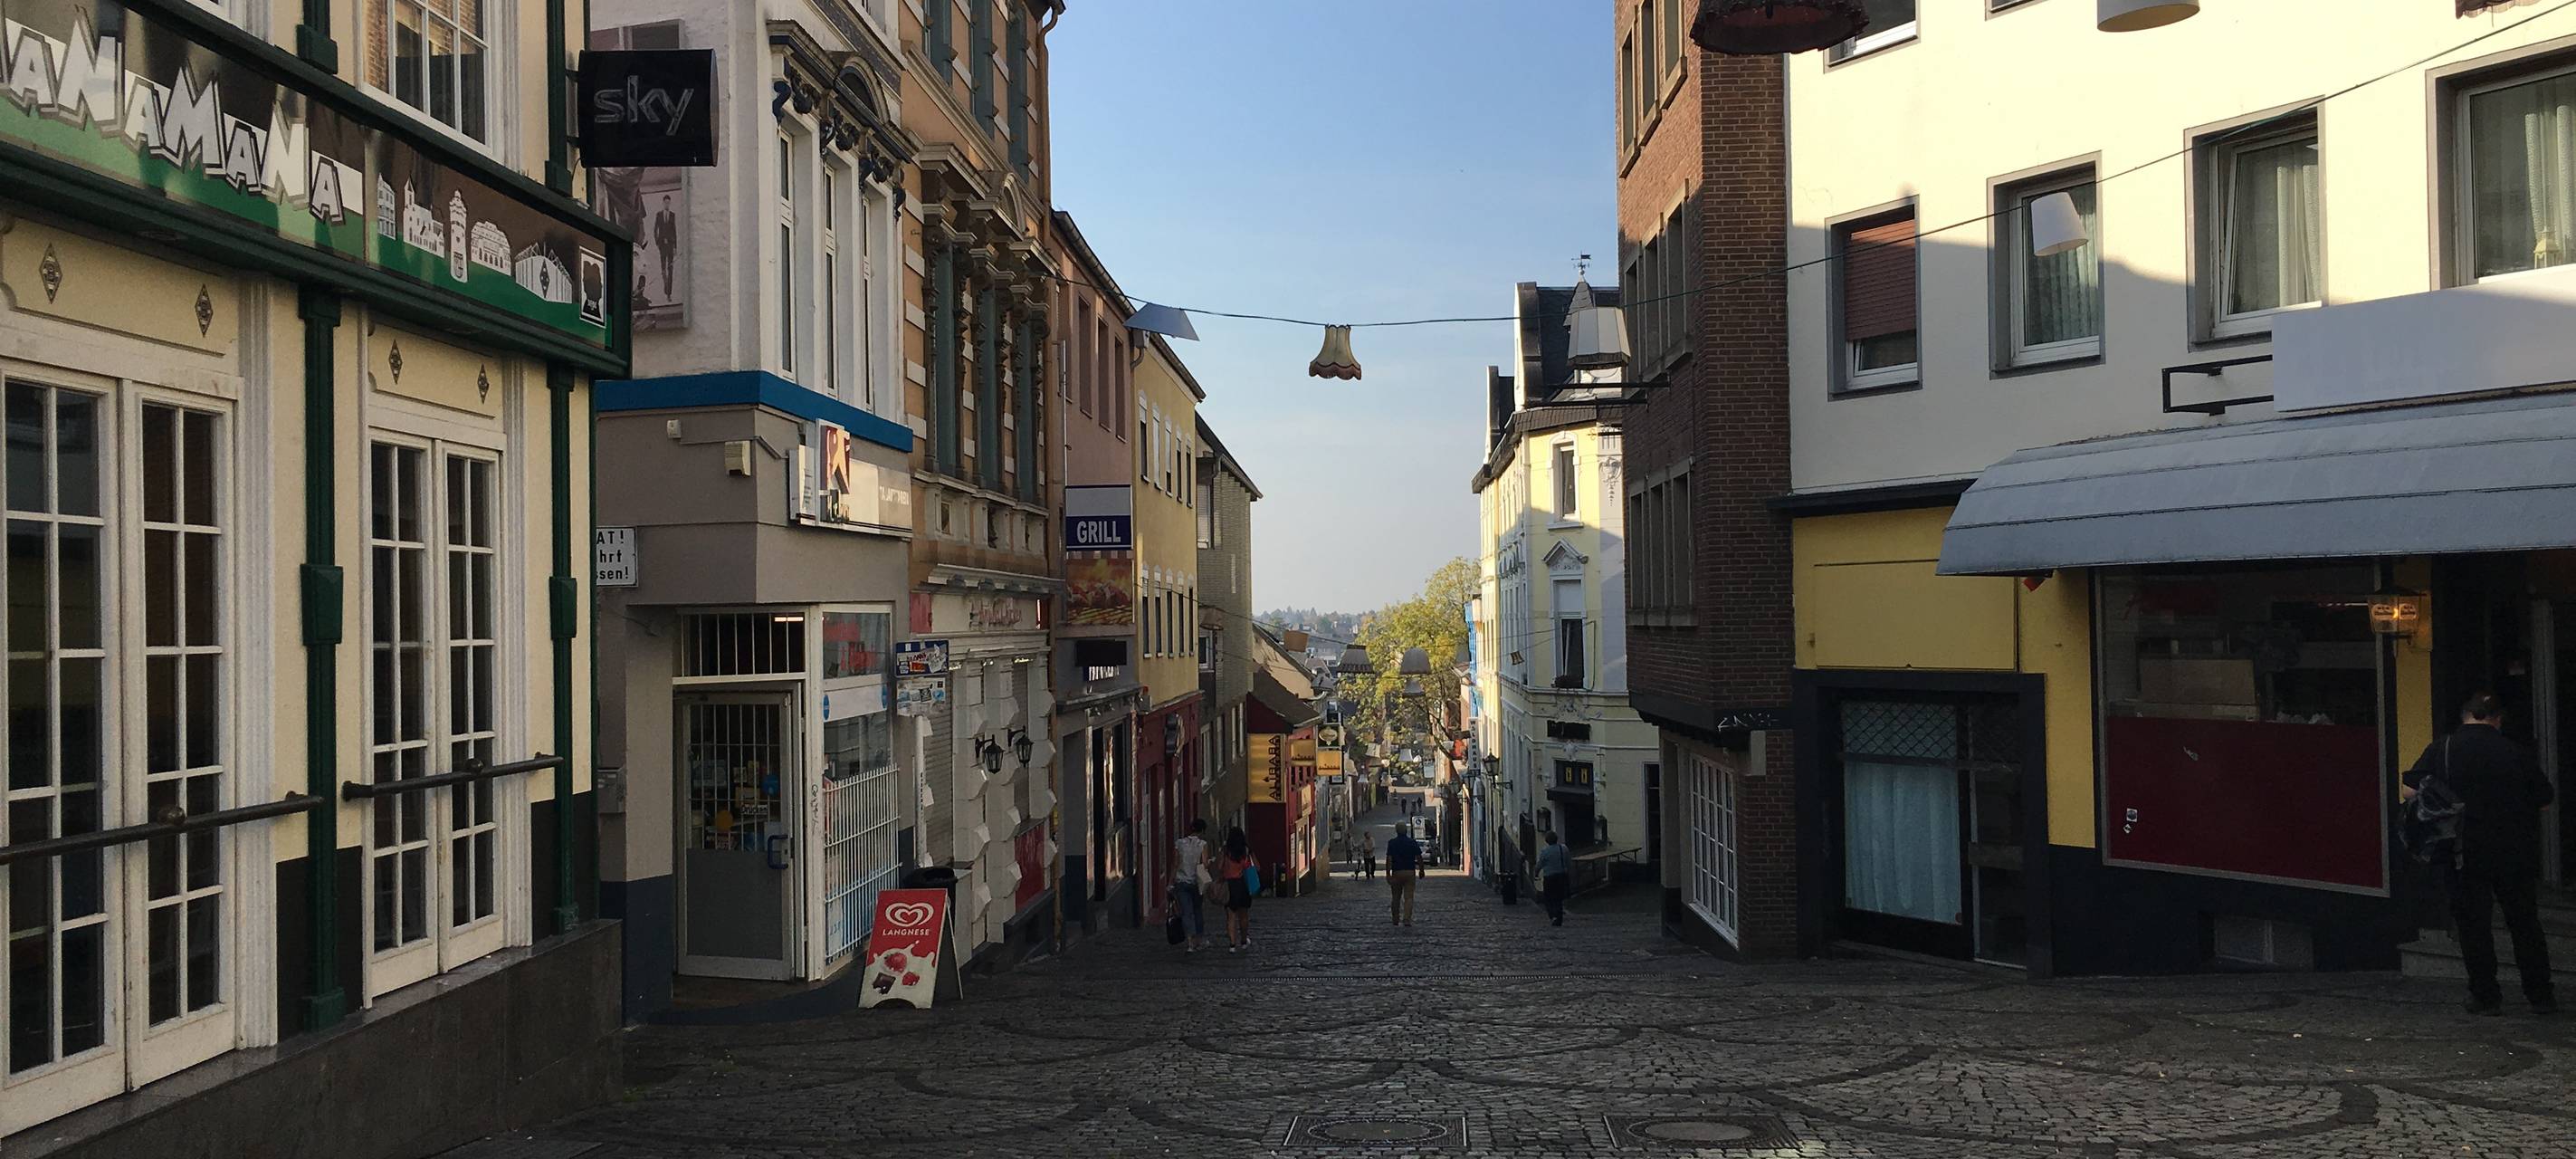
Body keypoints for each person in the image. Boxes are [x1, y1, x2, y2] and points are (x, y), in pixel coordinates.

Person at [2405, 692, 2557, 1015]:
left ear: (2465, 716)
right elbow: (2544, 799)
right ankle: (2540, 995)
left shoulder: (2442, 749)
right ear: (2497, 719)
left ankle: (2485, 995)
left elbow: (2410, 790)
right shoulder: (2514, 751)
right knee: (2524, 922)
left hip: (2462, 849)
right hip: (2513, 850)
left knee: (2473, 925)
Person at [1172, 819, 1212, 953]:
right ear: (1202, 831)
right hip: (1196, 882)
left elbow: (1176, 864)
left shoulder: (1179, 843)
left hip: (1181, 881)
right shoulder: (1202, 844)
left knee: (1186, 912)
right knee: (1197, 911)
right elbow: (1205, 864)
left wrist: (1170, 882)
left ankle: (1190, 943)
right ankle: (1199, 940)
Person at [1217, 827, 1257, 953]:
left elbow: (1219, 867)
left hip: (1230, 885)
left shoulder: (1226, 851)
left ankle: (1232, 945)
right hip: (1243, 884)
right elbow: (1257, 866)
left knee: (1231, 916)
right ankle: (1244, 941)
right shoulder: (1246, 850)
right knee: (1244, 915)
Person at [1385, 825, 1422, 926]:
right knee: (1409, 897)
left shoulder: (1392, 843)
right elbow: (1419, 857)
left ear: (1396, 831)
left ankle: (1395, 919)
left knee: (1396, 897)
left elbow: (1389, 859)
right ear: (1406, 831)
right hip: (1410, 872)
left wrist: (1388, 874)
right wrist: (1421, 870)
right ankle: (1406, 919)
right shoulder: (1412, 842)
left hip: (1397, 872)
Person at [1538, 829, 1571, 926]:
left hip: (1549, 877)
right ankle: (1558, 917)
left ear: (1547, 841)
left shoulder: (1545, 851)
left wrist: (1536, 873)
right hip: (1561, 876)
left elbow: (1539, 865)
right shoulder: (1563, 849)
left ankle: (1553, 915)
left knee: (1548, 898)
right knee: (1559, 898)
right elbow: (1568, 863)